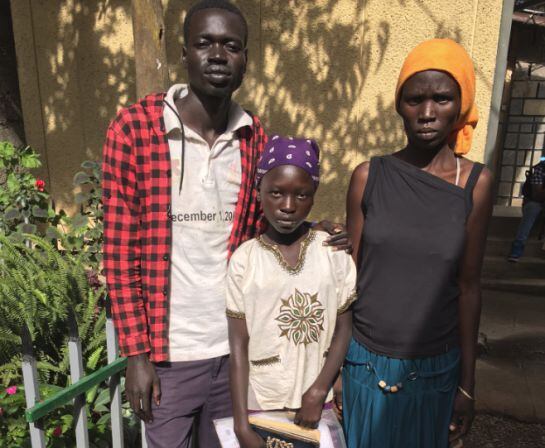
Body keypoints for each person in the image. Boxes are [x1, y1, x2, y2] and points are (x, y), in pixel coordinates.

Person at [102, 2, 350, 446]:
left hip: (239, 355)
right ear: (184, 53)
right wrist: (136, 354)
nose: (217, 55)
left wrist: (316, 230)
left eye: (230, 46)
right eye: (204, 43)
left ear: (245, 61)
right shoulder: (135, 130)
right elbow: (120, 254)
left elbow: (270, 221)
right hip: (168, 357)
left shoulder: (255, 136)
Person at [343, 39, 493, 448]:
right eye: (415, 99)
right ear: (399, 105)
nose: (427, 113)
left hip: (435, 370)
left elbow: (468, 287)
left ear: (460, 105)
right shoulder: (368, 177)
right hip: (364, 365)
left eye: (442, 99)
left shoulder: (475, 185)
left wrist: (467, 385)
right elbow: (346, 282)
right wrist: (333, 371)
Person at [227, 136, 356, 447]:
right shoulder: (245, 259)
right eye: (276, 193)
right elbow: (238, 345)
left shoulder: (332, 251)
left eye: (301, 195)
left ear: (313, 198)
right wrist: (242, 424)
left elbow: (344, 328)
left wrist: (318, 390)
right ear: (258, 192)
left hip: (317, 401)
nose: (287, 206)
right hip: (262, 402)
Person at [508, 158, 545, 262]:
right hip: (536, 202)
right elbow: (536, 195)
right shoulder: (541, 169)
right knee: (532, 208)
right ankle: (517, 248)